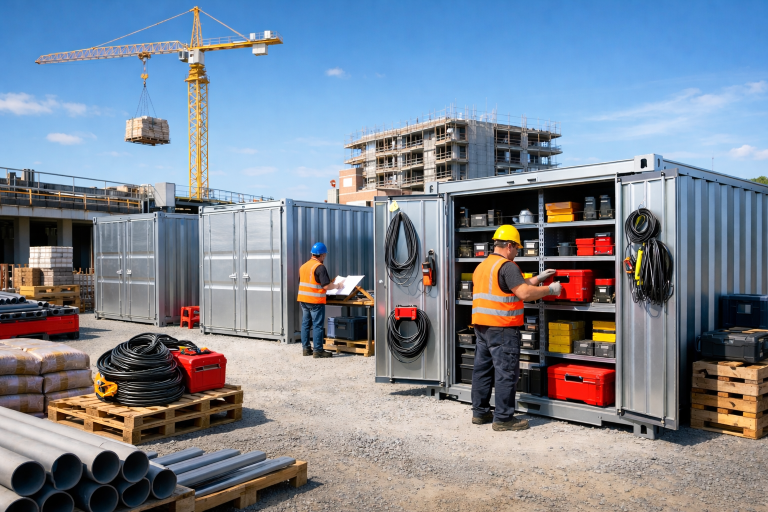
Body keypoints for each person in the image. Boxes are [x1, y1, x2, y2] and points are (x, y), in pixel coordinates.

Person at [471, 225, 562, 431]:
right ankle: (503, 419)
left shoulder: (483, 266)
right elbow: (523, 293)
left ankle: (480, 413)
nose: (517, 252)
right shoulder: (508, 265)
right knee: (506, 373)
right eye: (517, 248)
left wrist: (538, 279)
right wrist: (549, 289)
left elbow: (511, 285)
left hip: (482, 327)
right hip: (502, 328)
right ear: (510, 245)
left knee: (482, 371)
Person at [297, 242, 345, 358]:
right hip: (315, 301)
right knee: (317, 325)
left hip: (303, 300)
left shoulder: (304, 266)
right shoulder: (320, 267)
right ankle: (318, 351)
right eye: (325, 255)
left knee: (305, 325)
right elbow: (326, 286)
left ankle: (306, 349)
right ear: (322, 255)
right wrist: (337, 285)